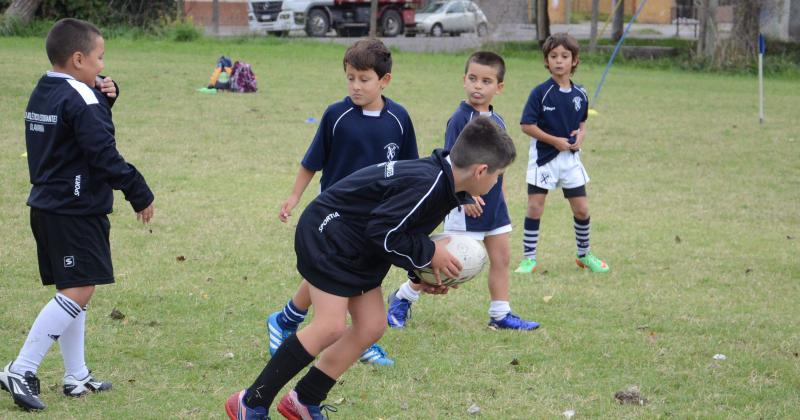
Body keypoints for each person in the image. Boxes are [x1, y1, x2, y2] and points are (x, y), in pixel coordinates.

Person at [225, 116, 516, 419]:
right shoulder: (428, 184)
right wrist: (429, 253)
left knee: (372, 325)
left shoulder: (443, 183)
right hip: (328, 234)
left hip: (357, 246)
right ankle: (250, 402)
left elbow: (401, 232)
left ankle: (303, 399)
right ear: (481, 170)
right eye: (498, 175)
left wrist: (421, 272)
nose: (497, 182)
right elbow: (384, 231)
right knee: (330, 325)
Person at [0, 18, 155, 412]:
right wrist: (138, 190)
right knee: (79, 288)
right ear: (79, 58)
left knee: (76, 286)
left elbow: (72, 133)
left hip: (48, 204)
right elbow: (102, 152)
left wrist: (104, 99)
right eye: (99, 58)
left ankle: (76, 376)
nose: (103, 66)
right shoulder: (82, 99)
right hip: (75, 208)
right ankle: (20, 368)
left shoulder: (45, 88)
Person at [268, 38, 418, 366]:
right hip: (334, 216)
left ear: (384, 80)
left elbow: (409, 170)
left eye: (364, 79)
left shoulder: (399, 119)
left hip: (375, 216)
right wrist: (294, 196)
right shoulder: (336, 116)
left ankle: (288, 319)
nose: (356, 86)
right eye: (350, 77)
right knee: (338, 270)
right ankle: (355, 338)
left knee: (345, 270)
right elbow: (313, 160)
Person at [386, 52, 539, 331]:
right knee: (444, 264)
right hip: (465, 206)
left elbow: (498, 166)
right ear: (463, 80)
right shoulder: (459, 119)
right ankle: (403, 297)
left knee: (502, 258)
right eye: (472, 79)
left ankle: (500, 314)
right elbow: (450, 164)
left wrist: (501, 199)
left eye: (486, 81)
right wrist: (463, 198)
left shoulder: (499, 121)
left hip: (494, 207)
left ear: (499, 87)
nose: (478, 86)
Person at [514, 33, 609, 274]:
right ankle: (528, 259)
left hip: (570, 160)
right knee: (535, 207)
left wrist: (581, 136)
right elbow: (526, 125)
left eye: (564, 56)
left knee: (582, 209)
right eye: (553, 56)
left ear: (574, 61)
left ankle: (584, 255)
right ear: (546, 61)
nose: (559, 61)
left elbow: (582, 123)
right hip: (544, 159)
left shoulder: (581, 94)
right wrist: (554, 141)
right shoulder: (540, 92)